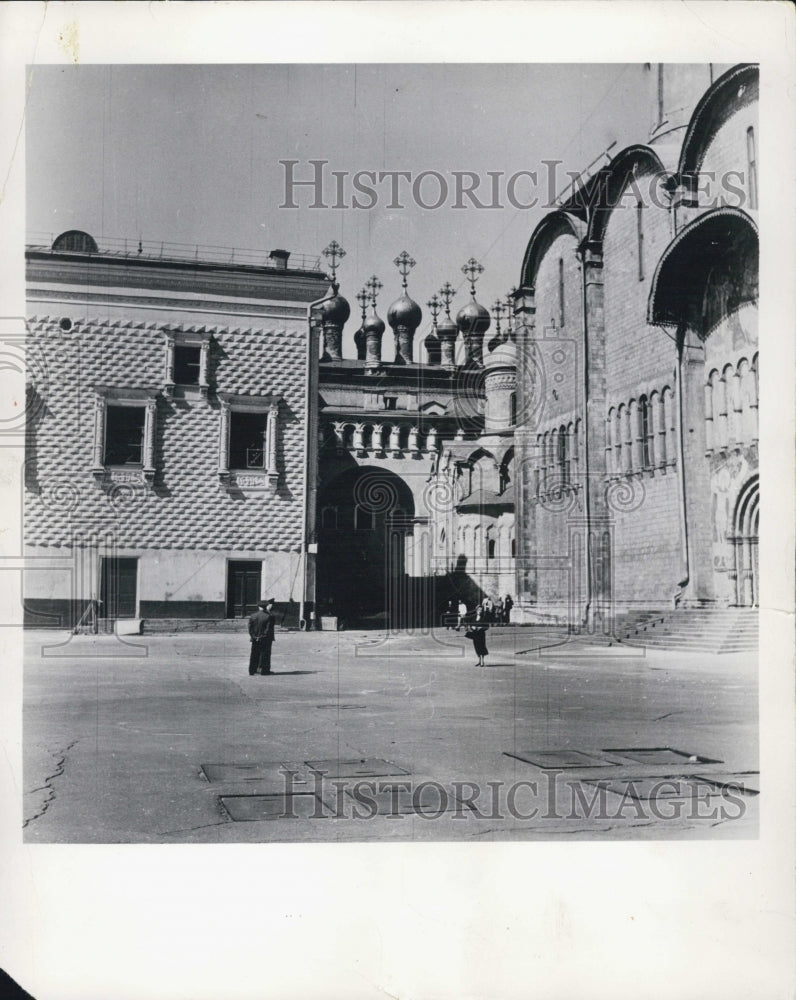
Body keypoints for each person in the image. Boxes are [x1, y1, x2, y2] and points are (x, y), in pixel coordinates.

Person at [248, 598, 277, 675]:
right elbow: (268, 629)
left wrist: (254, 636)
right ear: (266, 606)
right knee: (265, 654)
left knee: (254, 654)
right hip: (265, 639)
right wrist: (262, 636)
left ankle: (252, 670)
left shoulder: (253, 616)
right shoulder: (268, 616)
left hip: (254, 638)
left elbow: (250, 628)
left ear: (258, 606)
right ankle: (264, 670)